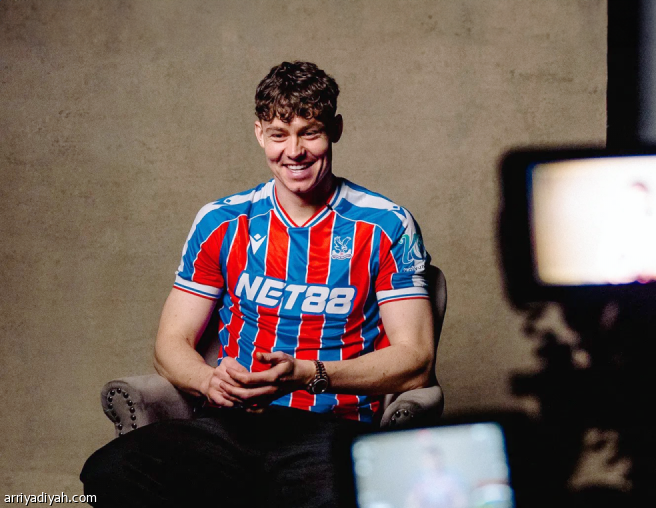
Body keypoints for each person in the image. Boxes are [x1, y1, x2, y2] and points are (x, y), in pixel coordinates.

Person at [81, 61, 435, 507]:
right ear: (259, 134)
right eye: (278, 135)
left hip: (333, 431)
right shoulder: (221, 220)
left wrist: (306, 374)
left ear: (336, 130)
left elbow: (416, 359)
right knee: (110, 470)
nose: (294, 151)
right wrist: (210, 381)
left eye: (310, 133)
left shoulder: (387, 224)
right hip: (230, 425)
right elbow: (170, 342)